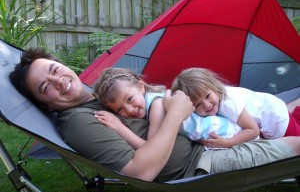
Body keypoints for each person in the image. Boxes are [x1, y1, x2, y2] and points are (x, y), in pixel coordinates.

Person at [9, 47, 300, 182]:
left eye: (55, 69)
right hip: (202, 164)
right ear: (45, 104)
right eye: (46, 86)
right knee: (296, 147)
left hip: (205, 141)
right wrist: (176, 113)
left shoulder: (97, 96)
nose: (59, 80)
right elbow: (141, 171)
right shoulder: (78, 121)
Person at [93, 67, 247, 150]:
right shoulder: (151, 101)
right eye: (120, 110)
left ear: (140, 87)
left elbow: (151, 148)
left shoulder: (156, 105)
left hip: (222, 133)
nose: (129, 109)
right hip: (214, 132)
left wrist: (119, 127)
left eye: (130, 99)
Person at [171, 67, 300, 149]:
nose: (207, 105)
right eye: (197, 104)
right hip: (269, 107)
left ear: (214, 86)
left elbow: (253, 130)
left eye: (208, 96)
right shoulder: (216, 100)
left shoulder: (228, 103)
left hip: (276, 120)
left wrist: (229, 142)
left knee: (295, 145)